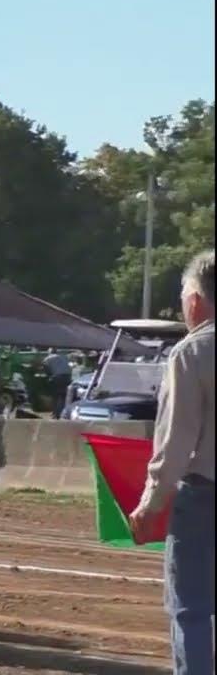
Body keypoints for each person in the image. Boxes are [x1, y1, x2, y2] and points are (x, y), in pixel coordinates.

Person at [129, 250, 214, 675]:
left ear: (196, 300)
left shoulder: (192, 352)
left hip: (204, 496)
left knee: (192, 610)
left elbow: (176, 441)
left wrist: (151, 503)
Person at [42, 348, 72, 418]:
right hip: (67, 377)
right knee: (64, 396)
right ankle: (64, 413)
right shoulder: (64, 356)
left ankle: (55, 413)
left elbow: (46, 369)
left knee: (55, 396)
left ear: (49, 352)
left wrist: (49, 377)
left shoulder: (47, 358)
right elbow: (69, 366)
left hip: (57, 377)